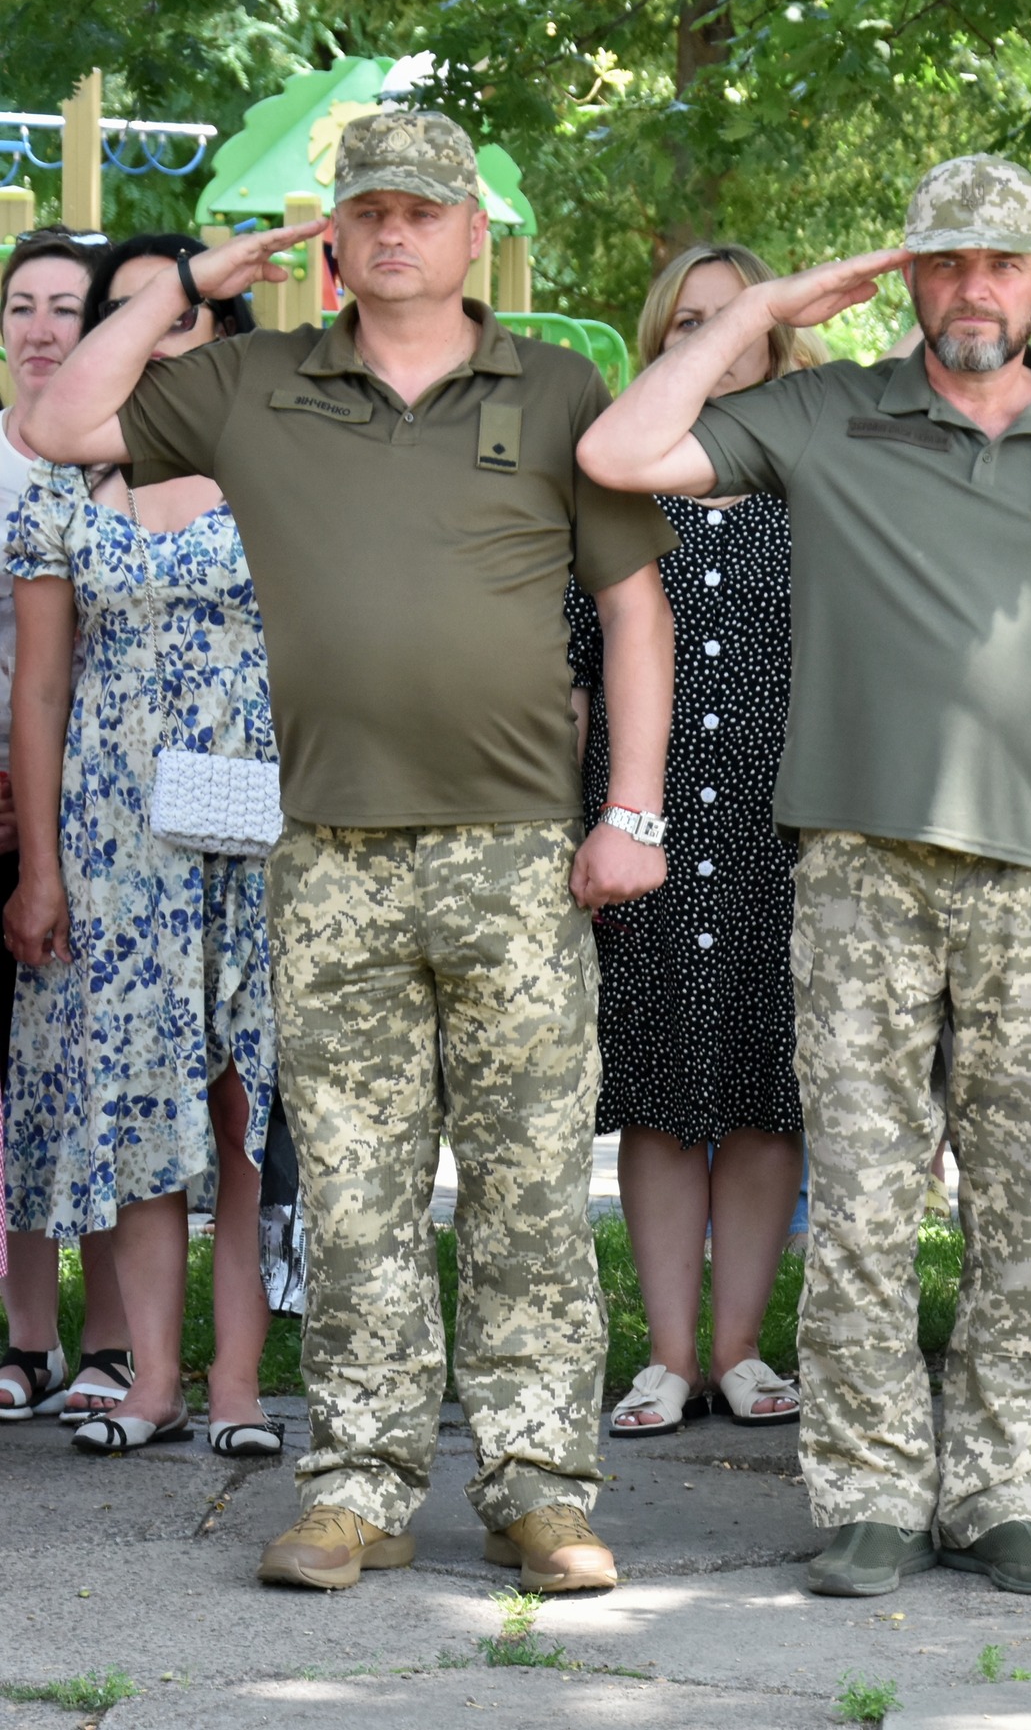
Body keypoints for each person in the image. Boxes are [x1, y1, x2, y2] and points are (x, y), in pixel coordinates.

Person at [22, 111, 677, 1592]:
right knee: (357, 1187)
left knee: (525, 1185)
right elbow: (59, 426)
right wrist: (186, 278)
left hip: (517, 851)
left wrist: (631, 811)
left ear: (472, 235)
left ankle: (539, 1489)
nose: (396, 234)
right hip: (328, 854)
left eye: (425, 212)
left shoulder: (556, 386)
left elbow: (634, 609)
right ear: (332, 236)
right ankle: (360, 1484)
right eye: (370, 211)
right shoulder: (252, 382)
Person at [578, 153, 1031, 1599]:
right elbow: (621, 451)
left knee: (1024, 1206)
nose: (974, 291)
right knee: (861, 1200)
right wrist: (767, 311)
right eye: (945, 262)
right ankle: (867, 1494)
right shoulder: (827, 413)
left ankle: (1005, 1495)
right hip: (859, 871)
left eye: (1001, 264)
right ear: (906, 275)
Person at [5, 233, 280, 1459]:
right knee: (139, 1105)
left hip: (258, 824)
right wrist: (40, 868)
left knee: (243, 1107)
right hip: (116, 839)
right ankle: (153, 1383)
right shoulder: (64, 483)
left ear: (221, 330)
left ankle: (239, 1388)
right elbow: (41, 688)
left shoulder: (276, 459)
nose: (151, 331)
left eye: (176, 311)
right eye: (123, 309)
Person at [568, 243, 822, 1436]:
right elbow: (577, 667)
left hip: (780, 829)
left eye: (732, 319)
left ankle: (740, 1352)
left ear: (774, 339)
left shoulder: (813, 484)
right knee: (661, 1091)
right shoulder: (614, 484)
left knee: (767, 1091)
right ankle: (668, 1357)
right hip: (648, 829)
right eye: (685, 323)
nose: (710, 343)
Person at [0, 225, 133, 1428]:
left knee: (85, 1066)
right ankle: (25, 1336)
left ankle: (110, 1341)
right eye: (22, 307)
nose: (43, 330)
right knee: (22, 1088)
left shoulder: (120, 467)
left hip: (92, 809)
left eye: (67, 310)